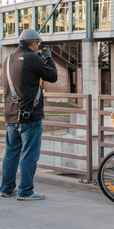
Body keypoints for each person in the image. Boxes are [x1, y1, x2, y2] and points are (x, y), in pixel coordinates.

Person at [0, 29, 58, 200]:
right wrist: (48, 58)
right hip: (30, 117)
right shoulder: (33, 57)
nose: (38, 46)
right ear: (33, 43)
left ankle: (6, 188)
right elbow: (53, 76)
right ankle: (25, 192)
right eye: (38, 44)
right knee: (29, 155)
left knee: (11, 154)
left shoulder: (8, 59)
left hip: (11, 114)